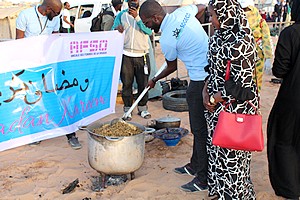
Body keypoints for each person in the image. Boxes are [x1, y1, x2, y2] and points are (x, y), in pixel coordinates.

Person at [139, 0, 209, 192]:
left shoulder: (168, 39)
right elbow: (202, 7)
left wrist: (154, 79)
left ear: (156, 18)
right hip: (207, 74)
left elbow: (171, 67)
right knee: (199, 129)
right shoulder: (183, 12)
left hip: (200, 80)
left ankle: (203, 179)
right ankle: (195, 165)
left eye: (146, 22)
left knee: (200, 130)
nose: (146, 26)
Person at [203, 0, 258, 198]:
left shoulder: (242, 42)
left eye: (213, 15)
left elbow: (243, 85)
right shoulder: (217, 38)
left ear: (226, 14)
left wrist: (216, 98)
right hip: (215, 110)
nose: (211, 19)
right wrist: (205, 90)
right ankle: (220, 193)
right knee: (217, 155)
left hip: (236, 112)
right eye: (210, 15)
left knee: (233, 160)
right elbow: (211, 68)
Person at [16, 0, 82, 150]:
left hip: (50, 65)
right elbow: (18, 42)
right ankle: (36, 135)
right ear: (48, 9)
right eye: (57, 13)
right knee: (34, 99)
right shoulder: (24, 15)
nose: (58, 16)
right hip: (31, 66)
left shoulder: (54, 18)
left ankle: (71, 135)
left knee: (61, 97)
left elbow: (54, 40)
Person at [267, 0, 300, 199]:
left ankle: (291, 189)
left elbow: (279, 69)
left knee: (284, 141)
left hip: (293, 98)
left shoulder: (291, 33)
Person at [111, 0, 152, 120]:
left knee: (143, 84)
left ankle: (143, 108)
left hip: (142, 55)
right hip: (126, 54)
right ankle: (127, 109)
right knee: (127, 84)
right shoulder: (121, 15)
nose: (133, 3)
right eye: (131, 1)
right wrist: (117, 29)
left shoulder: (144, 14)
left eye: (135, 1)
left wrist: (137, 18)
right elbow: (114, 29)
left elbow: (149, 31)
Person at [238, 0, 273, 92]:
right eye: (242, 9)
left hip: (257, 56)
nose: (245, 12)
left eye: (247, 9)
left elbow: (267, 41)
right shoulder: (236, 23)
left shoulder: (261, 22)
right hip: (240, 55)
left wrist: (268, 58)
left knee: (256, 81)